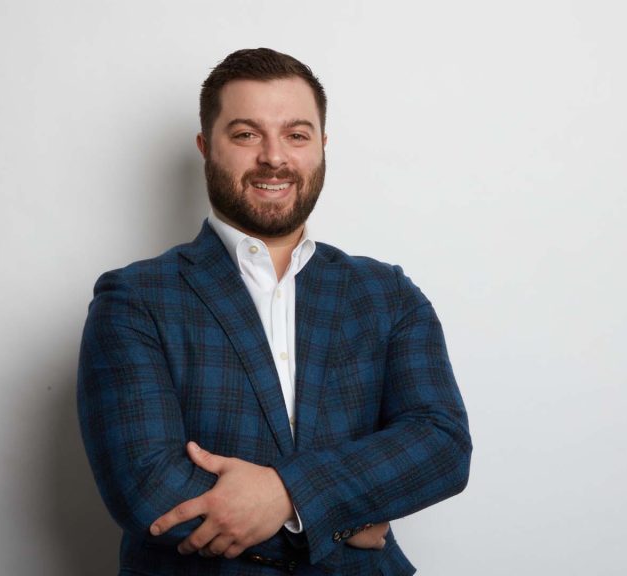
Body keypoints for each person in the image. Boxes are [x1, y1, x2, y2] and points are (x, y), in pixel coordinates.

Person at [77, 47, 471, 575]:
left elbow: (440, 446)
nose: (274, 157)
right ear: (205, 147)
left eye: (296, 135)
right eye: (245, 134)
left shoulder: (387, 293)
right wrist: (339, 516)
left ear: (322, 147)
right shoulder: (135, 299)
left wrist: (288, 496)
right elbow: (147, 488)